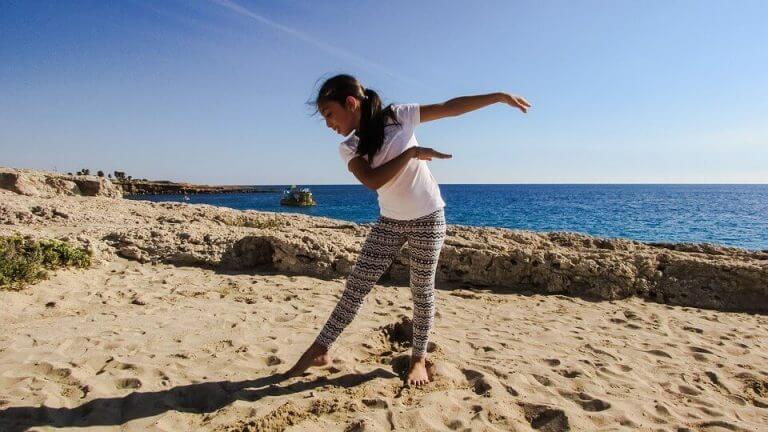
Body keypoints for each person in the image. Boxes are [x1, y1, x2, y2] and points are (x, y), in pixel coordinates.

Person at [284, 74, 530, 387]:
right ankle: (321, 348)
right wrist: (411, 154)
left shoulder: (398, 116)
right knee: (356, 286)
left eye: (329, 114)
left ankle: (418, 359)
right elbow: (374, 180)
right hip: (390, 221)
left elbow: (449, 107)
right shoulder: (350, 146)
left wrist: (496, 96)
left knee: (421, 291)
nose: (328, 123)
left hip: (429, 217)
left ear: (351, 103)